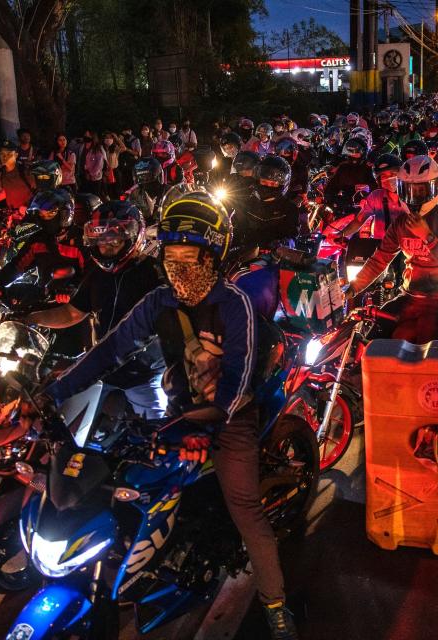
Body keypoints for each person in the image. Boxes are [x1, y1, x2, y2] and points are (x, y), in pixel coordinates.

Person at [40, 190, 300, 640]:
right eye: (172, 255)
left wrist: (206, 424)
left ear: (213, 256)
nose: (179, 266)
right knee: (128, 480)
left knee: (245, 510)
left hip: (229, 418)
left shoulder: (233, 304)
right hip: (177, 412)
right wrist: (52, 393)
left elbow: (236, 381)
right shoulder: (158, 302)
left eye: (190, 256)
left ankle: (275, 604)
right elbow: (110, 350)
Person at [25, 201, 166, 418]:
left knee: (157, 438)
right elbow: (72, 312)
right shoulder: (97, 275)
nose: (106, 247)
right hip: (98, 372)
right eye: (101, 241)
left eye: (113, 241)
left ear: (132, 236)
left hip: (142, 377)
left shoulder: (154, 275)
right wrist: (31, 319)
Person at [347, 155, 438, 344]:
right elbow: (380, 258)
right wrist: (352, 288)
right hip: (409, 294)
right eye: (409, 191)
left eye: (420, 191)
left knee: (424, 347)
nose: (414, 197)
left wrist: (427, 236)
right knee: (371, 339)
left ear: (435, 188)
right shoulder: (401, 223)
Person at [337, 154, 406, 239]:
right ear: (379, 181)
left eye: (392, 174)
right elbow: (359, 220)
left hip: (406, 248)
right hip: (379, 247)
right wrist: (340, 235)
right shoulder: (376, 197)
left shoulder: (411, 196)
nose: (389, 178)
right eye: (384, 176)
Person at [0, 140, 35, 229]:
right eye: (2, 154)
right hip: (13, 216)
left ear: (16, 155)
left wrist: (28, 206)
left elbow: (38, 192)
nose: (4, 157)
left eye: (9, 154)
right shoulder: (2, 171)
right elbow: (6, 191)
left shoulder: (24, 170)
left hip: (29, 215)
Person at [78, 130, 107, 197]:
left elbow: (99, 165)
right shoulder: (82, 147)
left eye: (89, 137)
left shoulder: (98, 149)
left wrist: (90, 174)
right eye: (85, 136)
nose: (86, 139)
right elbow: (80, 160)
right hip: (83, 176)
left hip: (94, 178)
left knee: (94, 197)